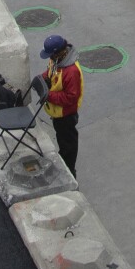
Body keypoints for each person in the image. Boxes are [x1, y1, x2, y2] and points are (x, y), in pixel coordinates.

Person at [41, 34, 83, 175]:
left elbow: (71, 97)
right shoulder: (56, 60)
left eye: (50, 55)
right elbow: (50, 72)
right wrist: (43, 79)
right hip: (57, 113)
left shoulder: (71, 72)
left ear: (58, 53)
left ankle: (69, 172)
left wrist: (49, 95)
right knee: (61, 139)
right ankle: (64, 163)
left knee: (68, 145)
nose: (49, 59)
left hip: (66, 115)